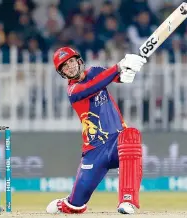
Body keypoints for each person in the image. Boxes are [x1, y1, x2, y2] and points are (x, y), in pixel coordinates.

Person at [46, 47, 146, 214]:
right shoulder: (73, 91)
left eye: (70, 61)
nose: (69, 67)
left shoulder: (95, 71)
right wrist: (119, 67)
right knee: (76, 206)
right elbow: (94, 86)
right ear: (62, 73)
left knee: (131, 135)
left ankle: (127, 200)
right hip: (94, 150)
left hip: (117, 141)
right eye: (64, 66)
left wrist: (128, 72)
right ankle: (65, 203)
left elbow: (115, 78)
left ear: (78, 61)